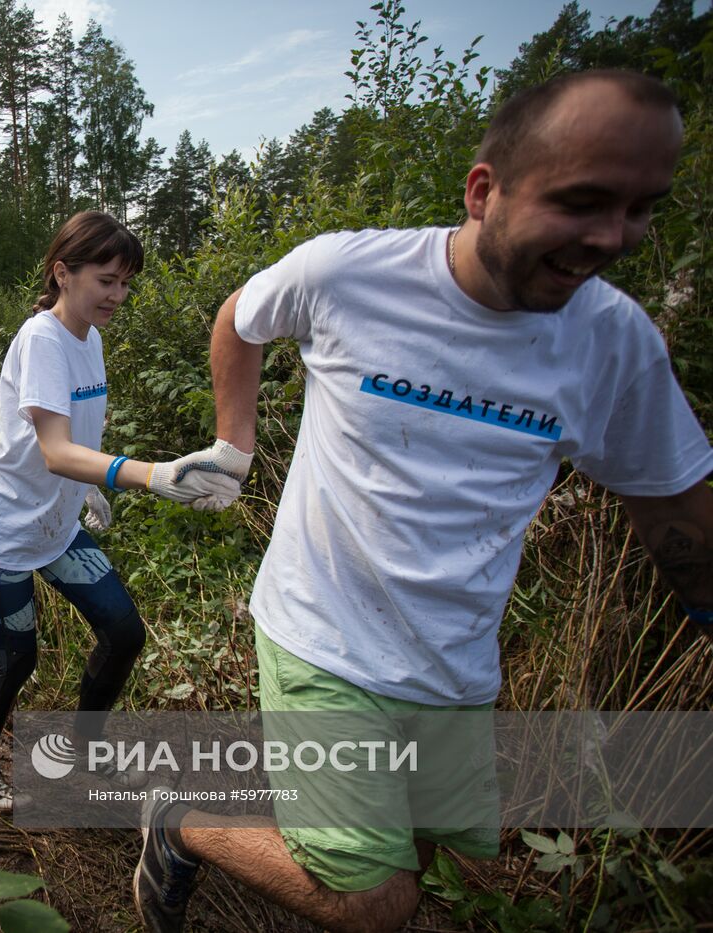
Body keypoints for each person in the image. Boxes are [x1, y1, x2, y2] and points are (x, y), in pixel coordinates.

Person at [133, 71, 713, 933]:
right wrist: (232, 445)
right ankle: (182, 813)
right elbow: (239, 318)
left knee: (443, 864)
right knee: (376, 900)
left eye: (641, 209)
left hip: (454, 662)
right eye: (583, 201)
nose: (612, 237)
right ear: (485, 191)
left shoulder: (614, 343)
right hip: (320, 633)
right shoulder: (347, 274)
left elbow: (675, 511)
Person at [0, 210, 240, 812]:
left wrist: (89, 490)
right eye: (107, 279)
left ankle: (82, 756)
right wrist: (153, 476)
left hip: (57, 527)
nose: (119, 294)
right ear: (63, 272)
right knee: (15, 659)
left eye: (126, 282)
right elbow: (56, 452)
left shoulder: (92, 340)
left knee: (123, 631)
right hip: (4, 530)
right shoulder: (42, 339)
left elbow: (73, 434)